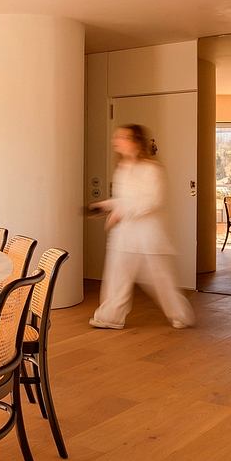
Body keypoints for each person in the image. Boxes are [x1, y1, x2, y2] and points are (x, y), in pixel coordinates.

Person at [89, 123, 194, 330]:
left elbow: (152, 201)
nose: (116, 141)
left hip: (149, 236)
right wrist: (105, 205)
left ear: (136, 142)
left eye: (122, 137)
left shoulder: (152, 169)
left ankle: (181, 315)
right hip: (125, 235)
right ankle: (110, 317)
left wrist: (122, 212)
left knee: (161, 281)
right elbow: (124, 199)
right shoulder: (122, 168)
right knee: (117, 277)